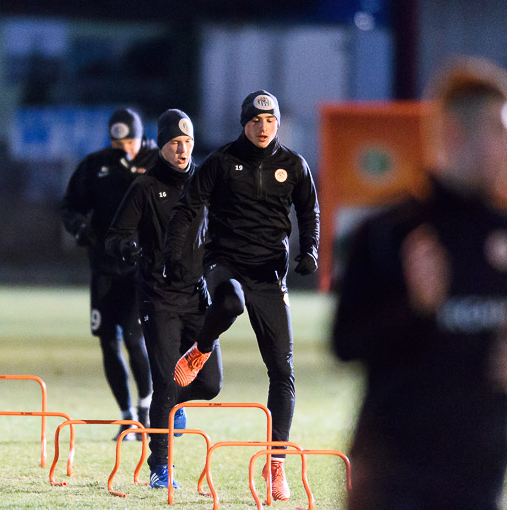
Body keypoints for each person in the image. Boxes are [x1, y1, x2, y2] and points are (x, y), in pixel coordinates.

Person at [331, 56, 507, 510]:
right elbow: (346, 344)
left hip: (479, 479)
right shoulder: (388, 233)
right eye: (501, 134)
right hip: (391, 482)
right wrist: (416, 308)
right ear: (455, 133)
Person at [164, 91, 320, 501]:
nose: (263, 128)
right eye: (255, 121)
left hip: (269, 277)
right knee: (229, 301)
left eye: (270, 121)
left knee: (283, 370)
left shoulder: (294, 165)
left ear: (278, 123)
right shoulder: (220, 162)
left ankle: (275, 464)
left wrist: (310, 250)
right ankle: (200, 350)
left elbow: (309, 211)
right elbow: (187, 208)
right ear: (244, 123)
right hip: (224, 263)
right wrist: (173, 254)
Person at [106, 109, 222, 489]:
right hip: (158, 298)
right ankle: (159, 465)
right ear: (162, 146)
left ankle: (173, 404)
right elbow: (115, 236)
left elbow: (221, 228)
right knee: (165, 382)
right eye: (175, 143)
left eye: (187, 142)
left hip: (197, 297)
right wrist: (127, 248)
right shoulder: (145, 187)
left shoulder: (205, 183)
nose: (182, 150)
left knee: (210, 383)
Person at [60, 108, 155, 440]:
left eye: (129, 142)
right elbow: (70, 206)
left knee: (134, 338)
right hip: (103, 267)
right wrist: (80, 228)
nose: (123, 149)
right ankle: (127, 416)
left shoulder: (156, 161)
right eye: (117, 143)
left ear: (140, 137)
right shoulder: (95, 165)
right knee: (108, 342)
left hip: (141, 270)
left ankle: (146, 411)